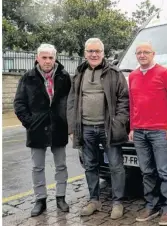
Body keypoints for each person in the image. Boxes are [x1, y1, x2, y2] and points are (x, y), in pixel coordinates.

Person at [67, 38, 129, 219]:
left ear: (103, 53)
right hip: (85, 128)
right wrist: (72, 128)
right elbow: (71, 102)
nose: (94, 54)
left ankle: (118, 202)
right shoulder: (79, 73)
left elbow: (124, 100)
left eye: (97, 51)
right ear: (85, 53)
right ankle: (94, 200)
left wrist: (118, 123)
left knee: (116, 166)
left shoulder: (115, 73)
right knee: (90, 165)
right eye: (90, 51)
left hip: (108, 128)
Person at [128, 42, 167, 225]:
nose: (142, 55)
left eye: (146, 52)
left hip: (159, 131)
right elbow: (133, 104)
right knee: (146, 171)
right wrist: (133, 128)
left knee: (164, 171)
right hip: (139, 132)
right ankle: (151, 205)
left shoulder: (164, 73)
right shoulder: (133, 75)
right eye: (139, 53)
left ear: (153, 54)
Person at [13, 44, 71, 217]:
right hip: (36, 129)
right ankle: (40, 200)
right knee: (37, 167)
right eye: (44, 57)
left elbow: (71, 101)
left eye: (51, 58)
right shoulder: (27, 78)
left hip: (59, 127)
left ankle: (61, 197)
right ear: (37, 58)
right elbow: (19, 104)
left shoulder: (64, 77)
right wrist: (30, 123)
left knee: (61, 165)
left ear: (55, 58)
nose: (47, 61)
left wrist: (67, 122)